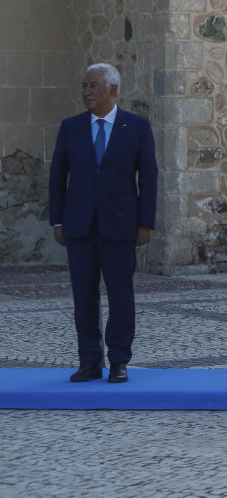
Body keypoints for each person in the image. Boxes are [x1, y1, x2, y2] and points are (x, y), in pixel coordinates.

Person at [49, 63, 158, 384]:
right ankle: (89, 361)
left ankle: (119, 360)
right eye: (84, 86)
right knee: (84, 296)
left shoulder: (136, 127)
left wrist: (145, 223)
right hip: (79, 226)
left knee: (121, 295)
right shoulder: (71, 127)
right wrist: (57, 220)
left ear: (113, 90)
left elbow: (149, 178)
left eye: (93, 86)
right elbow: (57, 177)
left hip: (121, 226)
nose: (86, 92)